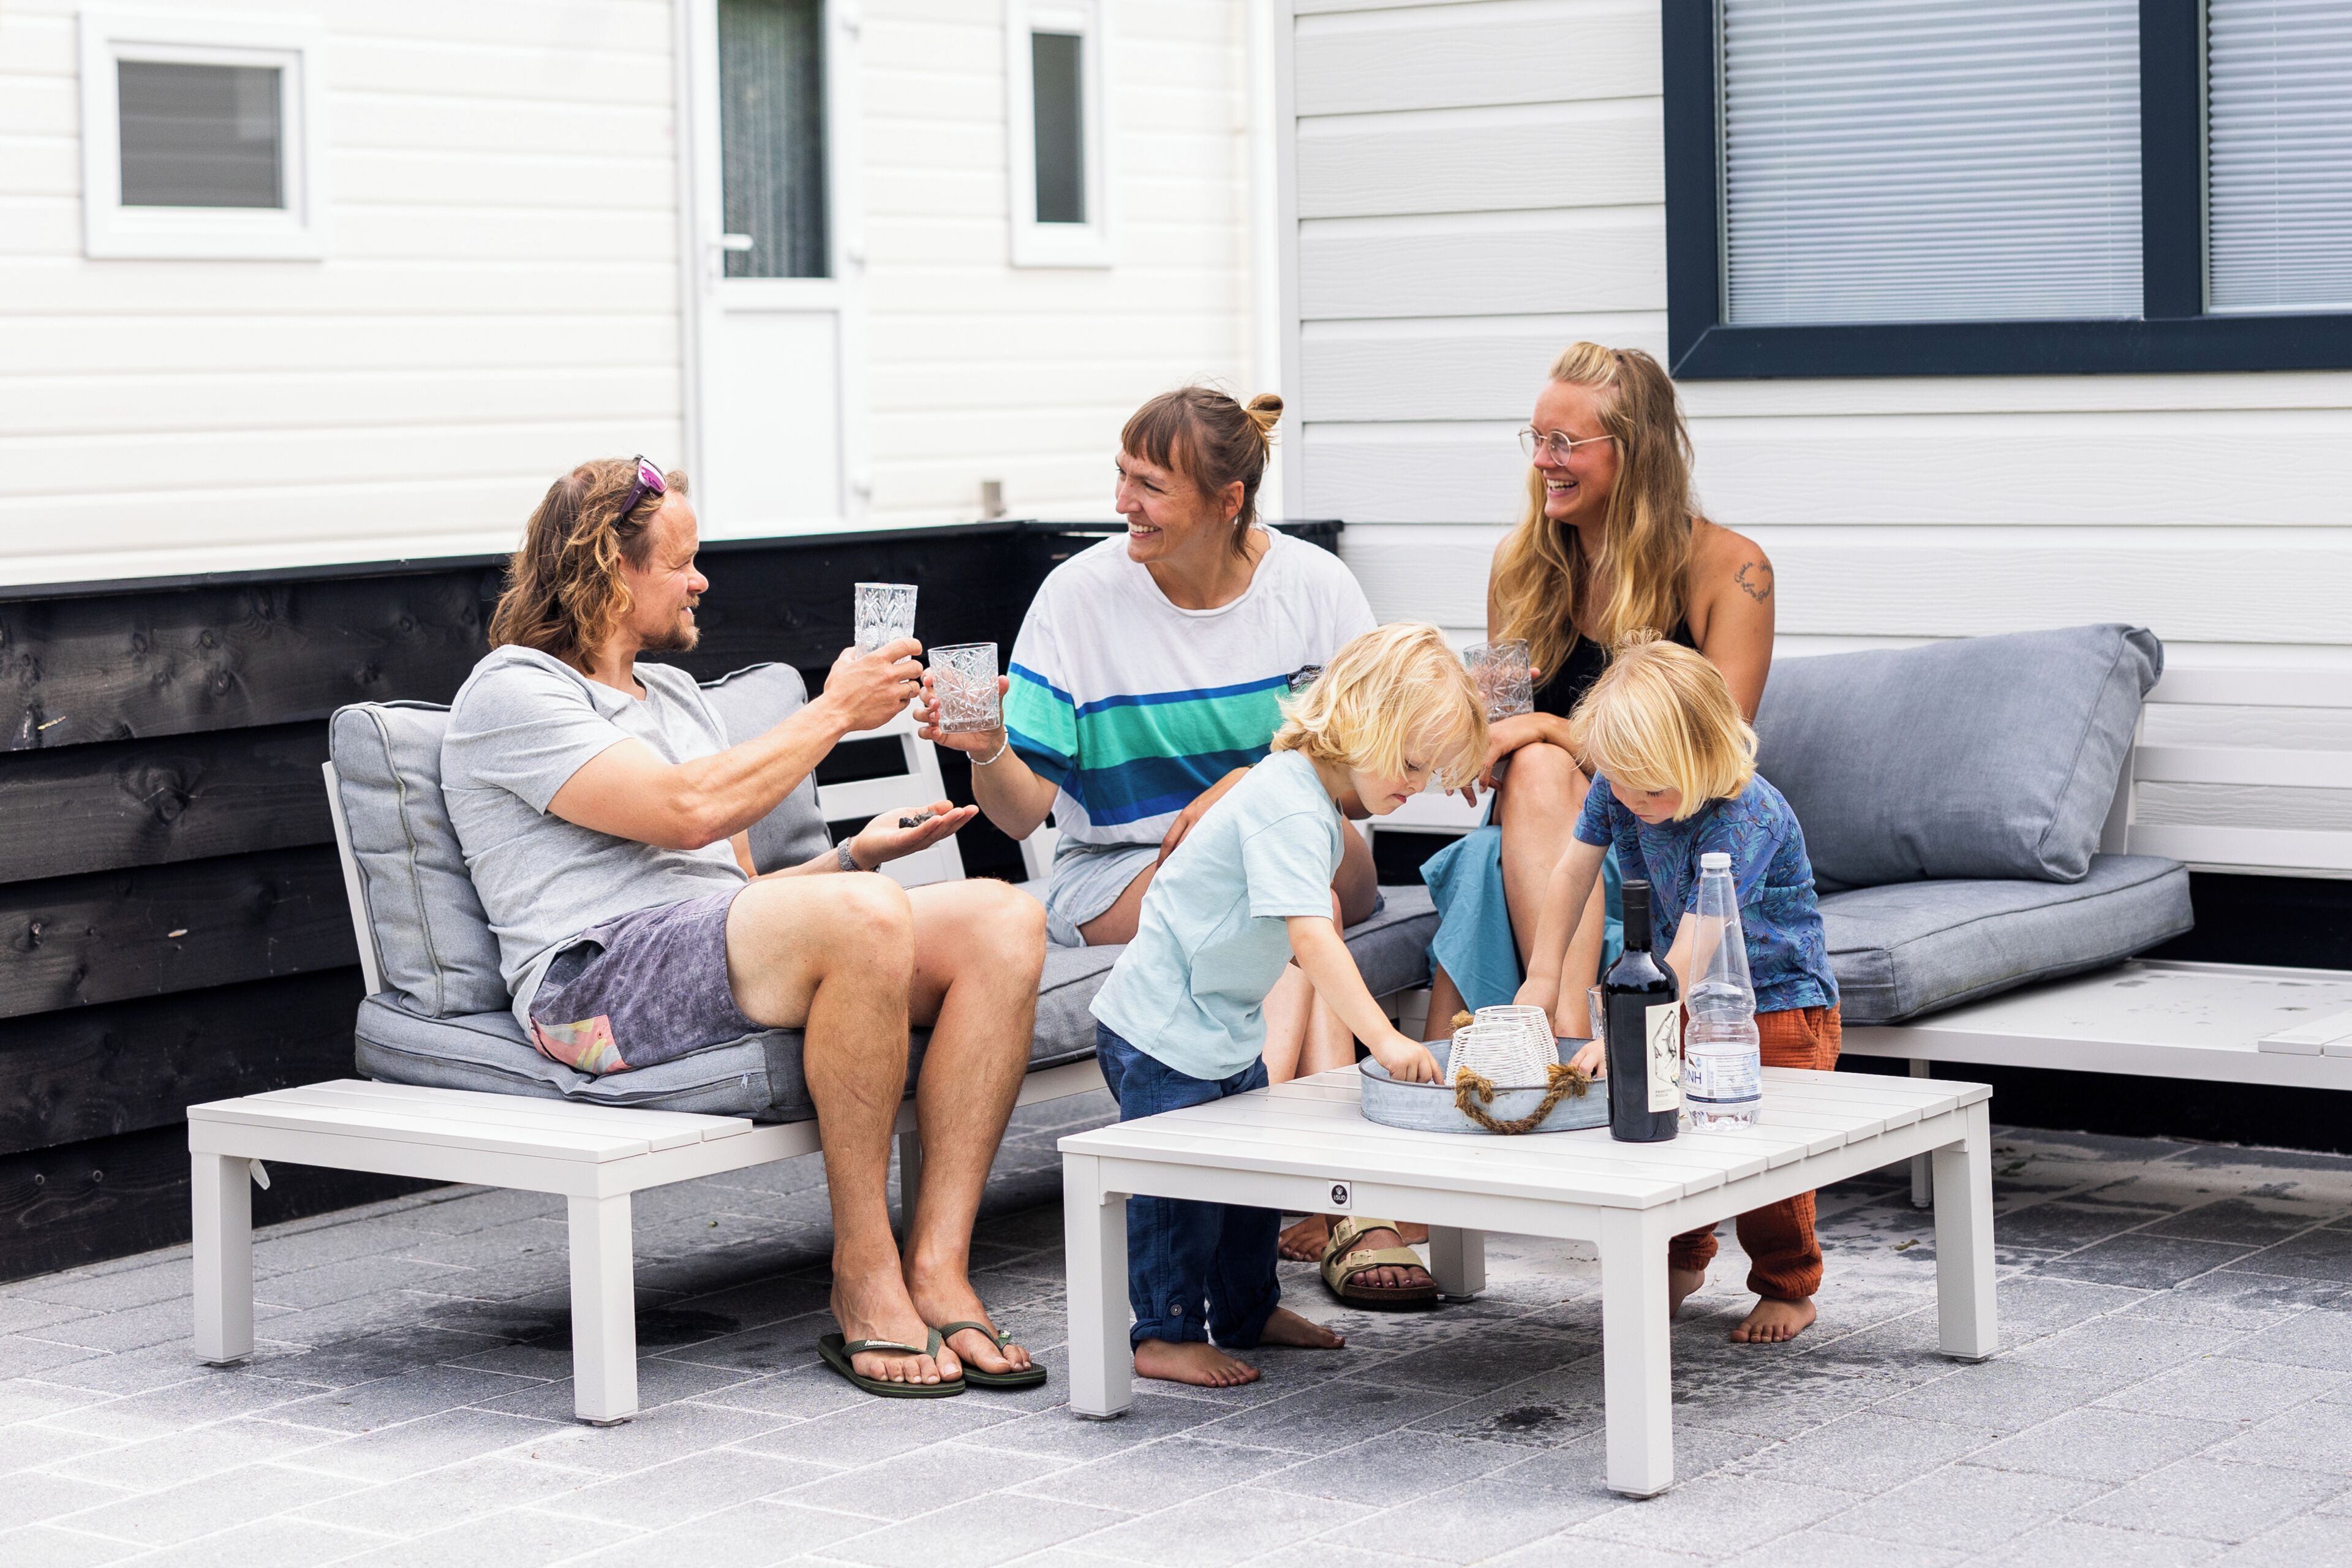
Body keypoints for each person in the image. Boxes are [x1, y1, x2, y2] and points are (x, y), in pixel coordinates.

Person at [443, 456, 1049, 1399]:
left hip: (704, 943)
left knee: (1001, 920)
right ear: (611, 564)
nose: (702, 580)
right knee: (863, 919)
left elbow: (741, 892)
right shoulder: (515, 692)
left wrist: (855, 863)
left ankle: (937, 1263)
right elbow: (684, 813)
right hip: (591, 983)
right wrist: (836, 711)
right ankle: (865, 1272)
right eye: (682, 562)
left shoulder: (676, 696)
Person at [919, 386, 1436, 1298]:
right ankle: (1345, 1201)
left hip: (1307, 847)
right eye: (1122, 476)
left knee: (1280, 887)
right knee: (1277, 921)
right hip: (1126, 867)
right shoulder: (1078, 598)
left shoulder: (1313, 588)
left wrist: (1243, 791)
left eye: (1150, 485)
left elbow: (1353, 765)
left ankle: (1272, 1167)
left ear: (1227, 501)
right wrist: (989, 748)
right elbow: (1016, 814)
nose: (1123, 503)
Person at [1089, 624, 1484, 1387]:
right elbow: (1313, 937)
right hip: (1163, 1030)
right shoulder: (1288, 804)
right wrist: (1384, 1039)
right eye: (1410, 762)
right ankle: (1163, 1331)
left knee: (1249, 1188)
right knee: (1182, 1190)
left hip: (1218, 1026)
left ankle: (1245, 1311)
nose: (1417, 784)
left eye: (1430, 770)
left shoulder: (1307, 798)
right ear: (1358, 719)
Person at [1418, 342, 1777, 1040]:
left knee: (1540, 762)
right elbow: (1499, 737)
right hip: (1534, 836)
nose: (1542, 460)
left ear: (1635, 451)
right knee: (1531, 777)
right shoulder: (1515, 565)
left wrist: (1549, 730)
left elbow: (1712, 758)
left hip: (1661, 836)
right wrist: (1469, 733)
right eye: (1536, 439)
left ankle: (1553, 1031)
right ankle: (1563, 1030)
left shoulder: (1730, 570)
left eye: (1564, 442)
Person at [1515, 639, 1841, 1344]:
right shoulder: (1623, 782)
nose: (1633, 801)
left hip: (1777, 1004)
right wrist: (1544, 975)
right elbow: (1572, 874)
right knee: (1668, 1131)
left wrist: (1622, 1034)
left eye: (1652, 791)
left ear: (1705, 756)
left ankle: (1788, 1284)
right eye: (1622, 785)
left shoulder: (1744, 814)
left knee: (1767, 1156)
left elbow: (1698, 943)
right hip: (1681, 996)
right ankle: (1682, 1259)